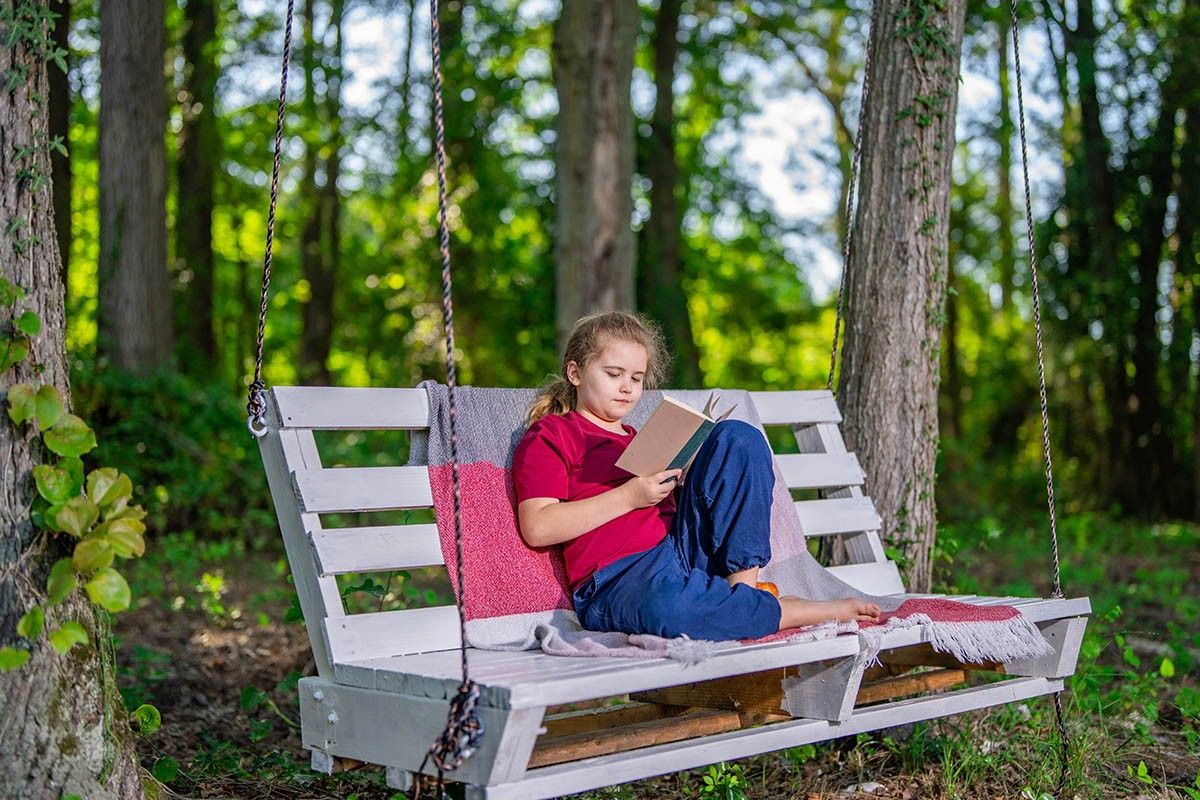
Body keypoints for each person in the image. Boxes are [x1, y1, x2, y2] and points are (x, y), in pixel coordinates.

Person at [512, 311, 881, 641]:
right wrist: (628, 496)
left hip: (682, 551)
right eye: (613, 374)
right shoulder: (553, 434)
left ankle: (745, 591)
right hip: (618, 581)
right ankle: (786, 610)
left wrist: (686, 475)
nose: (627, 387)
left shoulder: (637, 438)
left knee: (738, 437)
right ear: (575, 372)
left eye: (637, 378)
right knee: (670, 610)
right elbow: (538, 526)